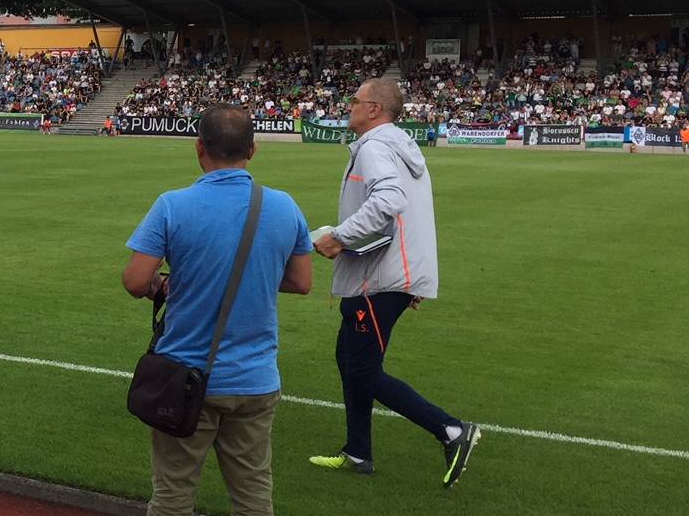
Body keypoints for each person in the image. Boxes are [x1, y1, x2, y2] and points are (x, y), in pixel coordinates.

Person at [121, 105, 313, 516]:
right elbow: (301, 281)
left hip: (187, 374)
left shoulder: (173, 205)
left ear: (199, 148)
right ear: (253, 150)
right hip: (256, 379)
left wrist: (167, 283)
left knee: (173, 496)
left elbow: (136, 281)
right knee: (253, 497)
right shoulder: (284, 206)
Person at [310, 78, 481, 489]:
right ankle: (357, 451)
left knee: (363, 370)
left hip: (378, 276)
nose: (349, 105)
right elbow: (412, 214)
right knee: (348, 360)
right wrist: (414, 277)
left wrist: (339, 237)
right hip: (394, 274)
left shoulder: (374, 147)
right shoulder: (401, 144)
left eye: (355, 99)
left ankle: (452, 431)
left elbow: (388, 202)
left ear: (374, 109)